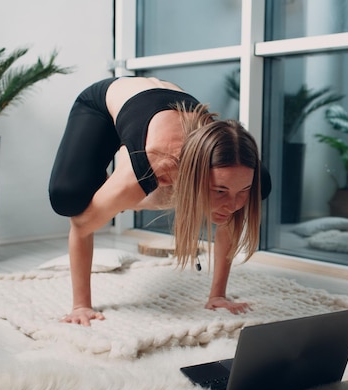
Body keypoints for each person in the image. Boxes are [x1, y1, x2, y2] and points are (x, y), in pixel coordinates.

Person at [49, 76, 271, 326]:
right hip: (103, 104)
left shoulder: (240, 171)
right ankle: (118, 166)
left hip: (165, 109)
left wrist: (217, 295)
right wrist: (81, 306)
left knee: (257, 188)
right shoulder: (151, 168)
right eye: (219, 190)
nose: (233, 204)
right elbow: (80, 227)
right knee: (68, 198)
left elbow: (231, 216)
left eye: (242, 190)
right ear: (194, 177)